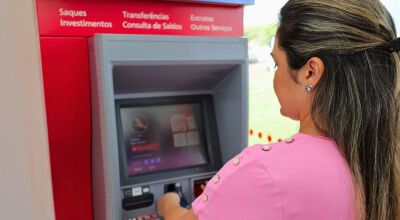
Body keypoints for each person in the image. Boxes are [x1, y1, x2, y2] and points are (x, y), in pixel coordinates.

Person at [157, 0, 400, 219]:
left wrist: (169, 204)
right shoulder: (386, 156)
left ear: (310, 72)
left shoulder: (263, 172)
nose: (275, 75)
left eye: (276, 63)